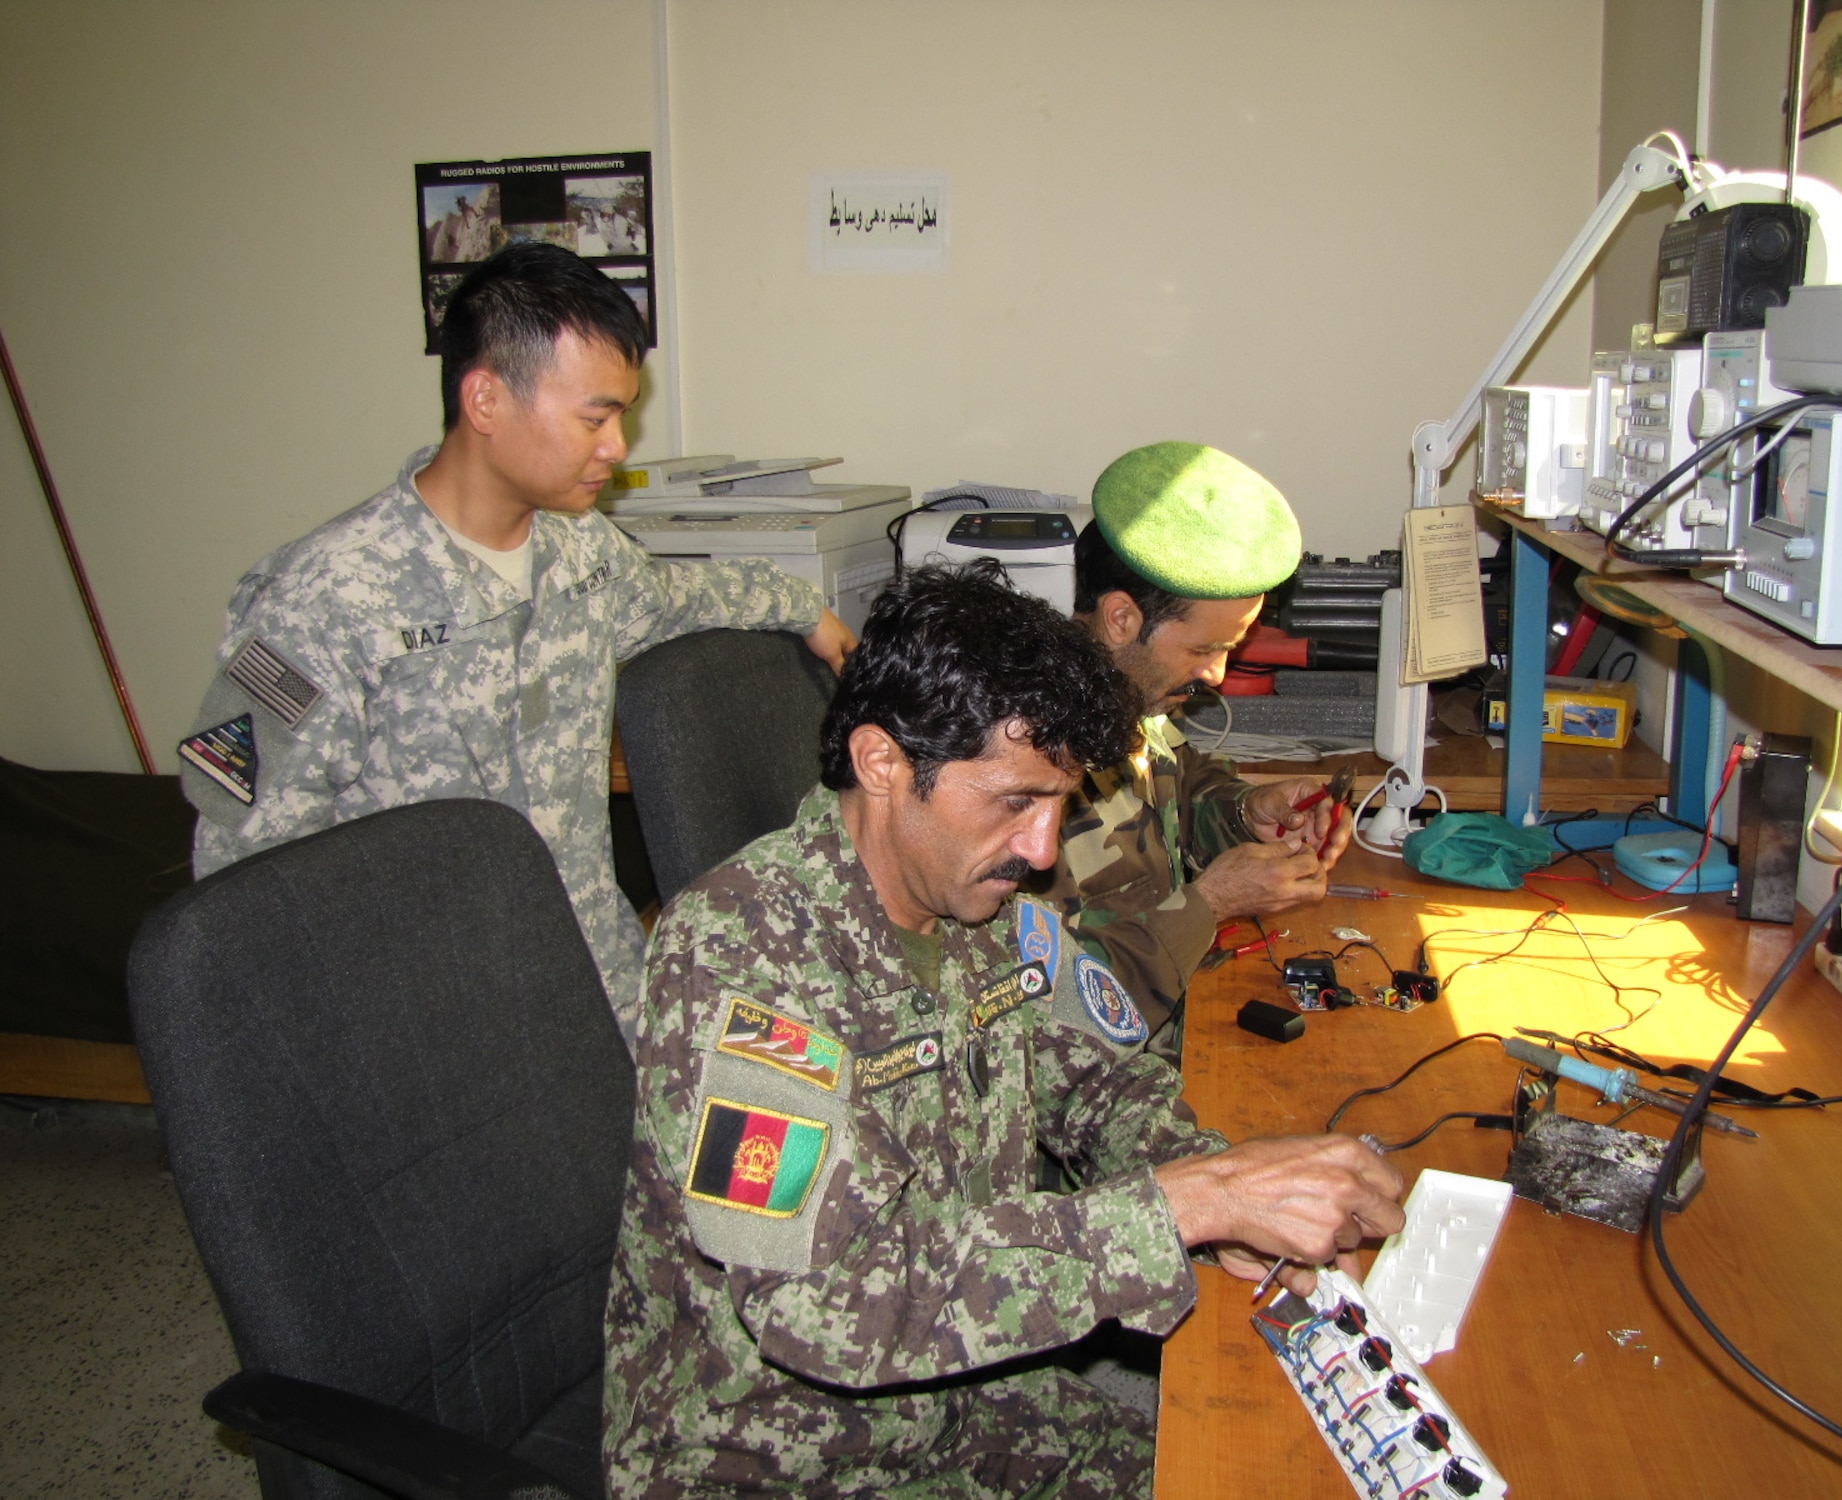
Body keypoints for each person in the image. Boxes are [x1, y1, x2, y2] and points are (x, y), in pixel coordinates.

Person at [602, 562, 1404, 1497]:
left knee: (1250, 1473)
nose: (1042, 849)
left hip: (965, 1399)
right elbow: (825, 1303)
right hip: (779, 1461)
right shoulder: (739, 955)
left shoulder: (988, 909)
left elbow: (1097, 1082)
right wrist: (1187, 1205)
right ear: (881, 763)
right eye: (1016, 800)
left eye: (1059, 802)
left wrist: (1223, 1189)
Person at [177, 243, 855, 1040]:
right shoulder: (323, 600)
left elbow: (681, 597)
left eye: (622, 418)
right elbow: (243, 868)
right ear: (486, 400)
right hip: (431, 1019)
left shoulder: (581, 552)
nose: (617, 448)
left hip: (592, 979)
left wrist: (806, 609)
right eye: (595, 418)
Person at [1026, 440, 1350, 1039]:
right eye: (1205, 648)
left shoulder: (1133, 695)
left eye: (1230, 648)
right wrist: (1211, 903)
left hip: (1184, 1017)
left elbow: (1175, 795)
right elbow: (1055, 1011)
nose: (1218, 675)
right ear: (1122, 619)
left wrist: (1247, 811)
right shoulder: (1023, 765)